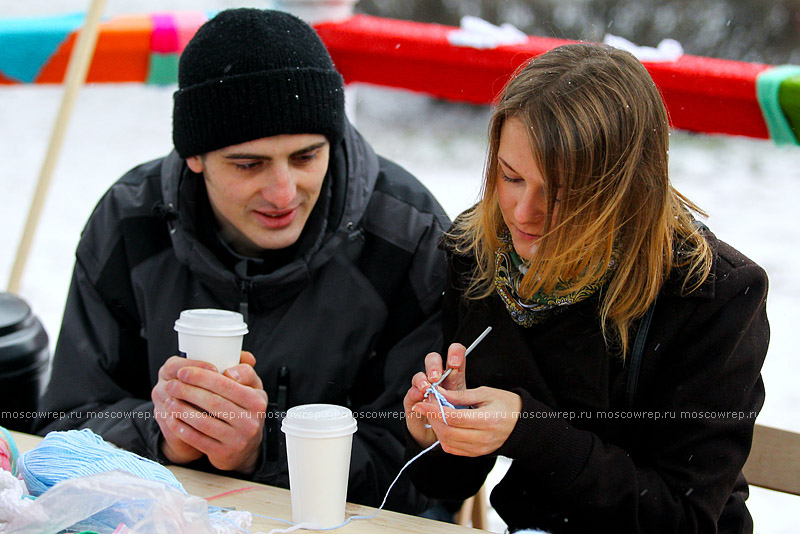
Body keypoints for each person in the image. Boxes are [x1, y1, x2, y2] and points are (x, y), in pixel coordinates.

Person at [35, 8, 449, 514]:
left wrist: (263, 450)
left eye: (305, 157)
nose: (282, 192)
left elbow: (430, 474)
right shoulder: (129, 222)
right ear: (194, 155)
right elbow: (60, 427)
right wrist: (163, 434)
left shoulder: (407, 236)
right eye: (248, 164)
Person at [403, 43, 769, 533]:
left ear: (627, 190)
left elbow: (683, 518)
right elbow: (446, 486)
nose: (522, 213)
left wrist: (529, 429)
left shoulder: (712, 295)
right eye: (511, 177)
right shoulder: (482, 252)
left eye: (560, 194)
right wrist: (440, 433)